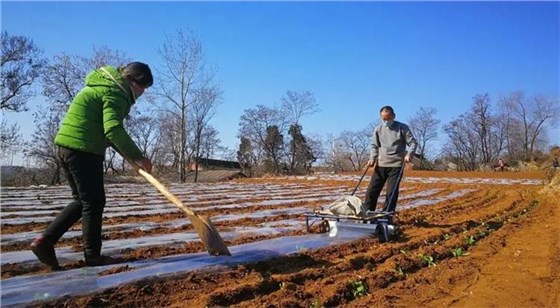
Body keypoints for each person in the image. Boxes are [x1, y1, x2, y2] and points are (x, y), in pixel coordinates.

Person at [30, 62, 154, 270]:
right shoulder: (117, 94)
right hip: (84, 149)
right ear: (131, 81)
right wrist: (138, 156)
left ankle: (45, 241)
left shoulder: (101, 86)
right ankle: (92, 256)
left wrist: (132, 159)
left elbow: (108, 132)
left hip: (66, 147)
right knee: (94, 202)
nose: (142, 92)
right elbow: (113, 129)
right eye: (143, 87)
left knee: (83, 200)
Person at [363, 105, 417, 213]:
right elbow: (374, 145)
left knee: (391, 193)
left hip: (396, 165)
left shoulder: (402, 128)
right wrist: (372, 158)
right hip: (381, 164)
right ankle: (367, 214)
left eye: (388, 118)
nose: (386, 121)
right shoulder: (378, 129)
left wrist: (409, 154)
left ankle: (387, 215)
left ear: (393, 116)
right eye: (383, 119)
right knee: (371, 191)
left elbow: (413, 143)